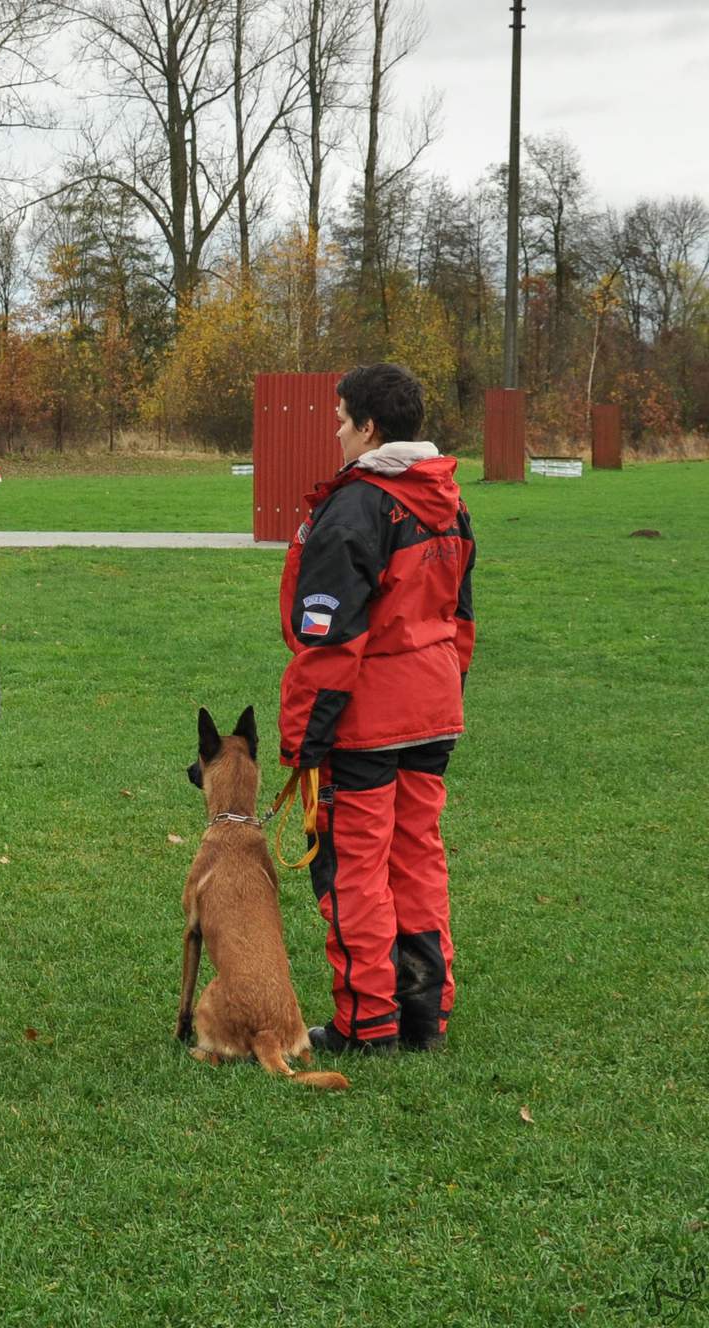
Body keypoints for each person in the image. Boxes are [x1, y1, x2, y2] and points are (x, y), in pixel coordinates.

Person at [278, 362, 476, 1056]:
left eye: (340, 419)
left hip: (368, 719)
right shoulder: (447, 498)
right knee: (417, 858)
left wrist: (304, 738)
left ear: (369, 427)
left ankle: (368, 1023)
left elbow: (330, 641)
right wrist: (444, 691)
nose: (334, 432)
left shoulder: (358, 504)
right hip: (432, 707)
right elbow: (461, 618)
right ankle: (425, 1016)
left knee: (356, 869)